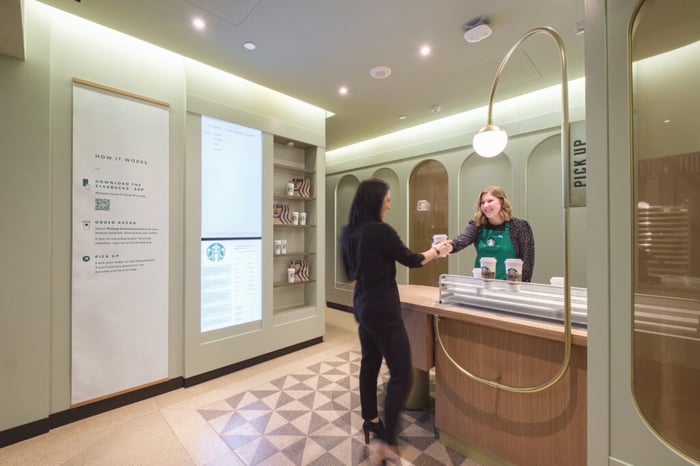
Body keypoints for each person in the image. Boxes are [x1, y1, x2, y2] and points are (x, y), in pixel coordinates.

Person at [339, 178, 451, 462]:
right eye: (388, 199)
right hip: (383, 308)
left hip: (362, 305)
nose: (390, 204)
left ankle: (371, 421)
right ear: (377, 200)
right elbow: (412, 259)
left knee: (370, 363)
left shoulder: (348, 232)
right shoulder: (381, 231)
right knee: (403, 374)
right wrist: (437, 250)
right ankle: (385, 441)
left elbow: (350, 273)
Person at [448, 185, 535, 281]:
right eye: (482, 203)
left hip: (509, 288)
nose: (485, 206)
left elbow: (527, 263)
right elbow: (462, 240)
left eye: (490, 201)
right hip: (482, 286)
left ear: (502, 201)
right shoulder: (477, 226)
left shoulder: (520, 227)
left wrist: (521, 289)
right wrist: (449, 246)